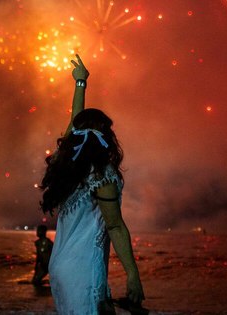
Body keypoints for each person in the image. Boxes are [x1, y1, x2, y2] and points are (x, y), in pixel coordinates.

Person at [40, 54, 145, 314]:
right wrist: (133, 274)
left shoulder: (68, 169)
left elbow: (76, 122)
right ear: (105, 137)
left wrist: (80, 83)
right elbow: (115, 226)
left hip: (61, 267)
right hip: (83, 270)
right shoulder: (102, 175)